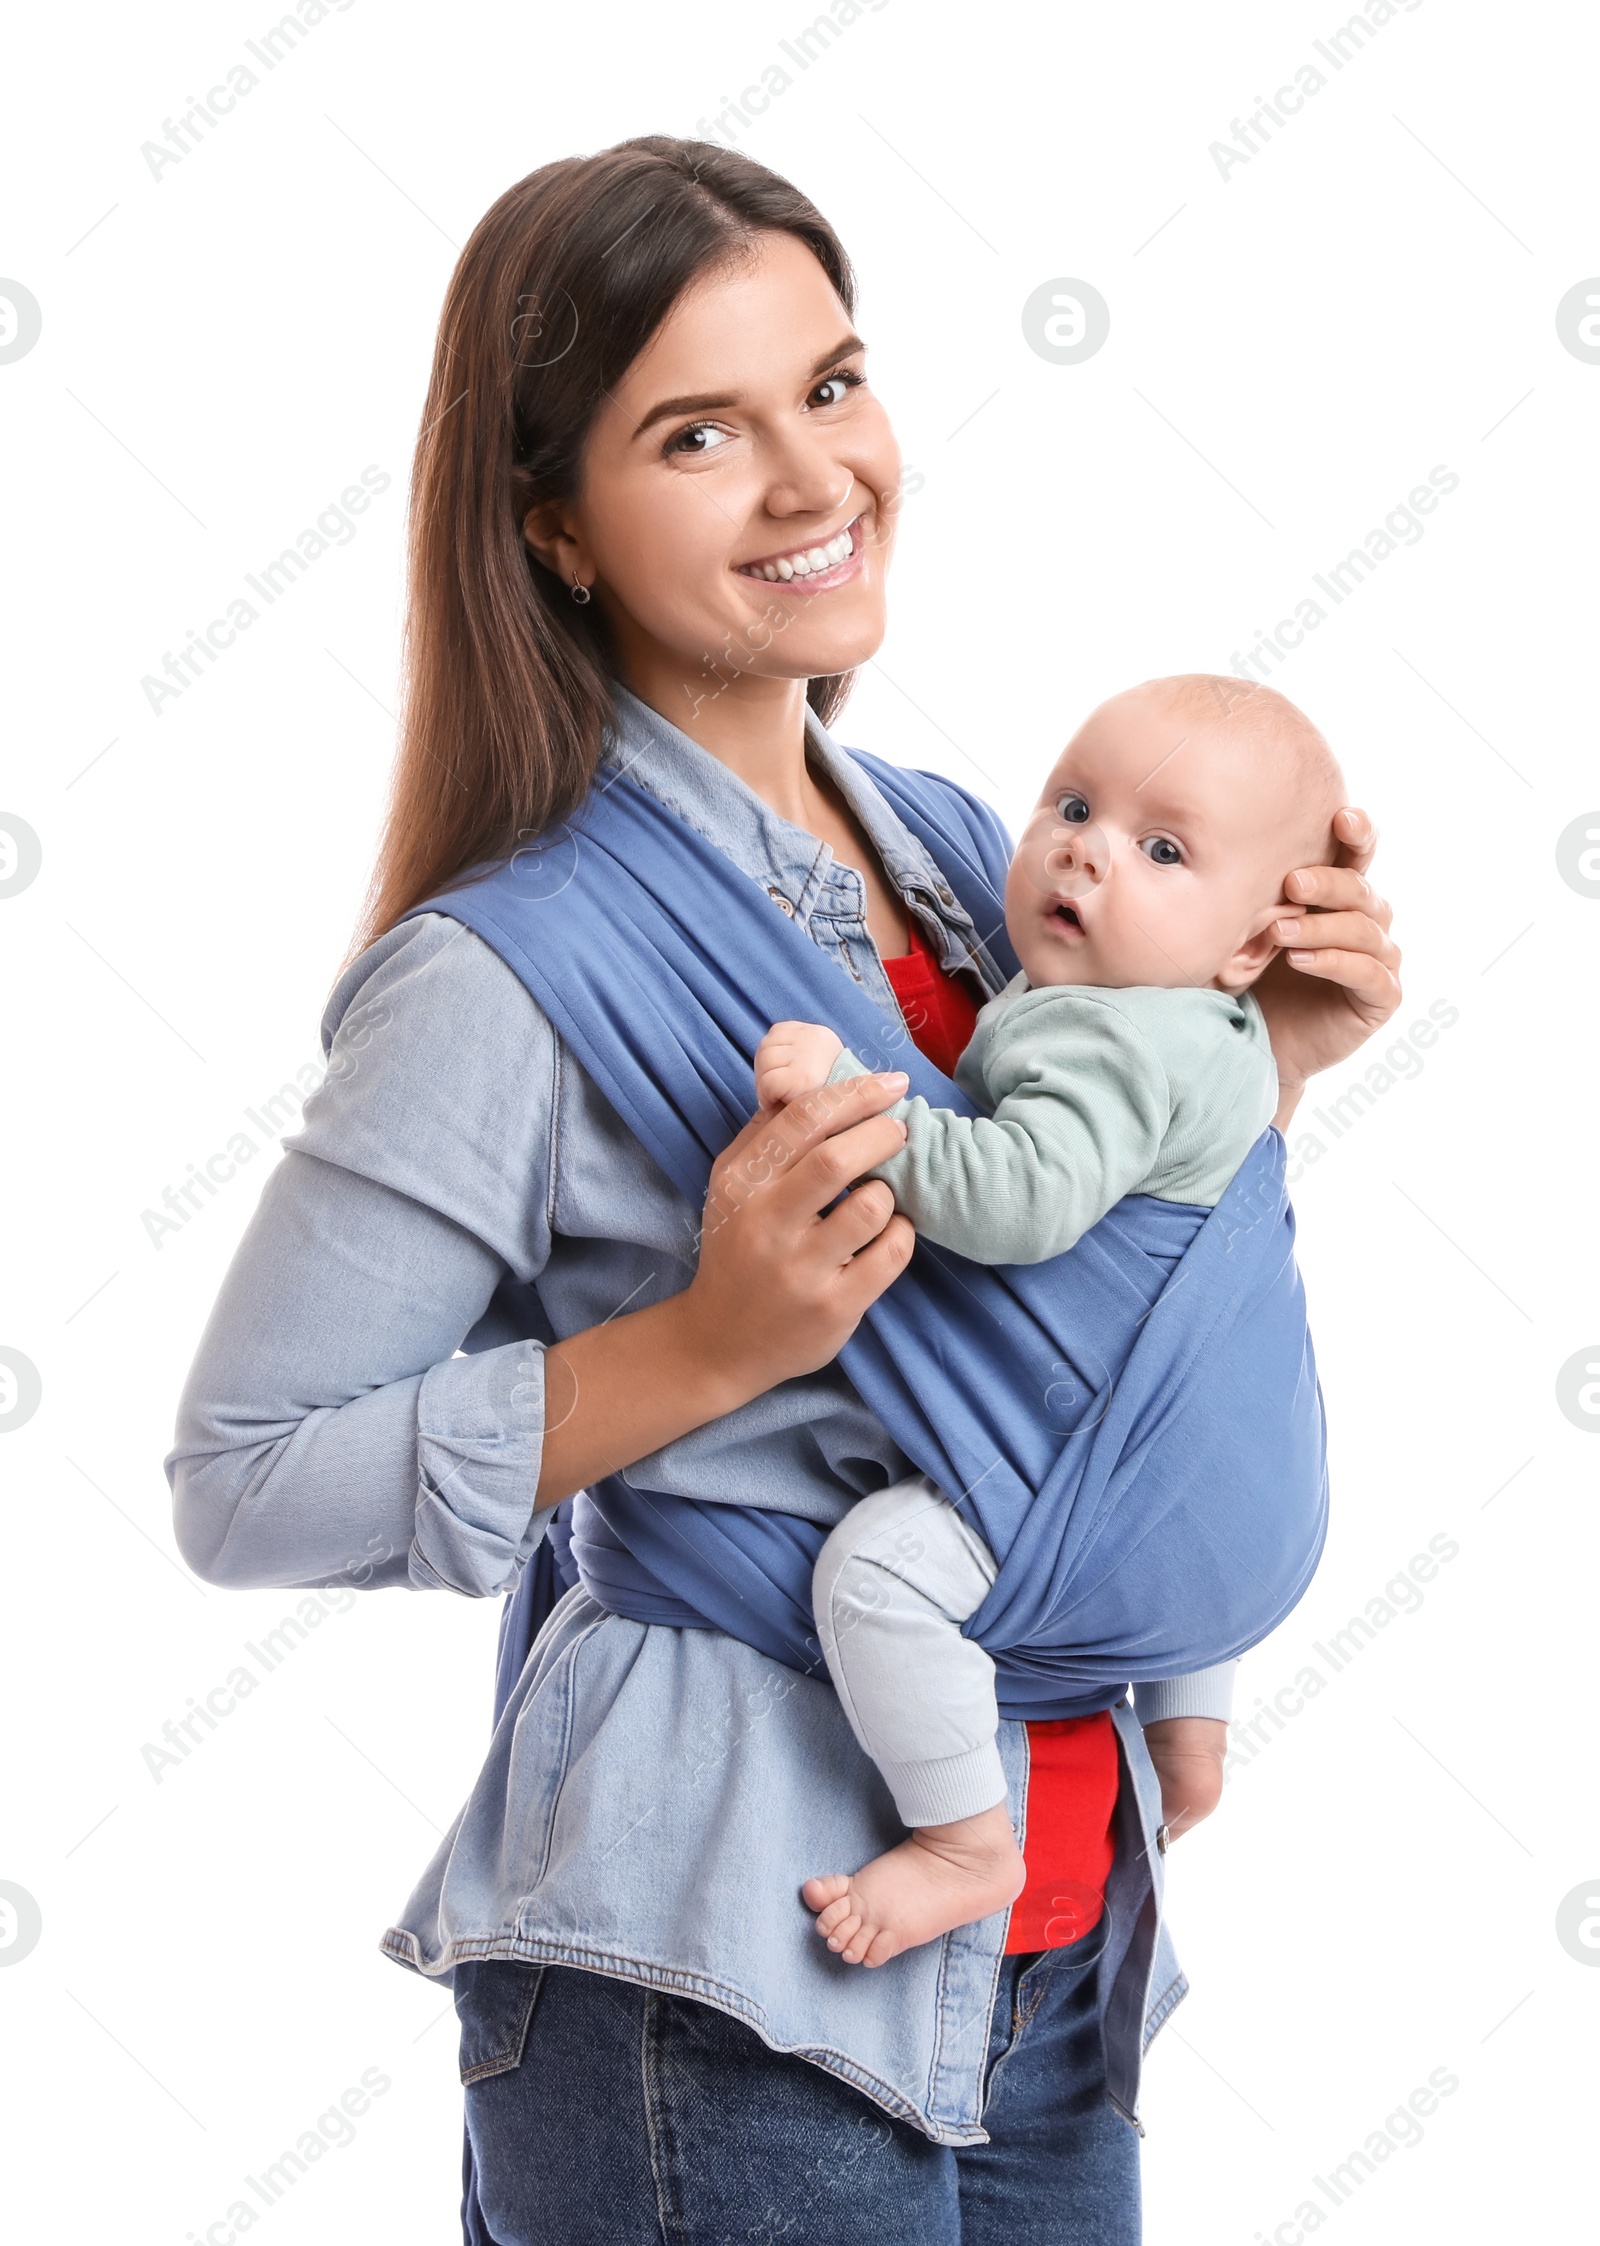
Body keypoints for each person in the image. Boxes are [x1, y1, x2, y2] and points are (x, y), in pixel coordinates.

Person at [166, 138, 1401, 2244]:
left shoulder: (955, 846)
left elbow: (1052, 1328)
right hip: (729, 1961)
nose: (812, 478)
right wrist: (702, 1344)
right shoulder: (504, 969)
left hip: (1054, 1944)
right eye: (695, 433)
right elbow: (244, 1477)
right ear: (551, 523)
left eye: (830, 384)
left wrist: (1262, 1062)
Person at [752, 676, 1343, 1967]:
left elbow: (1022, 1198)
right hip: (1219, 1491)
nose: (1085, 847)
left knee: (875, 1575)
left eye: (1163, 848)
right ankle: (1188, 1733)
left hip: (1093, 1471)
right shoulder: (1227, 1031)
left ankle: (965, 1839)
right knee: (1163, 1450)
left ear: (1251, 945)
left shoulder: (1104, 1038)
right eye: (1071, 804)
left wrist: (865, 1108)